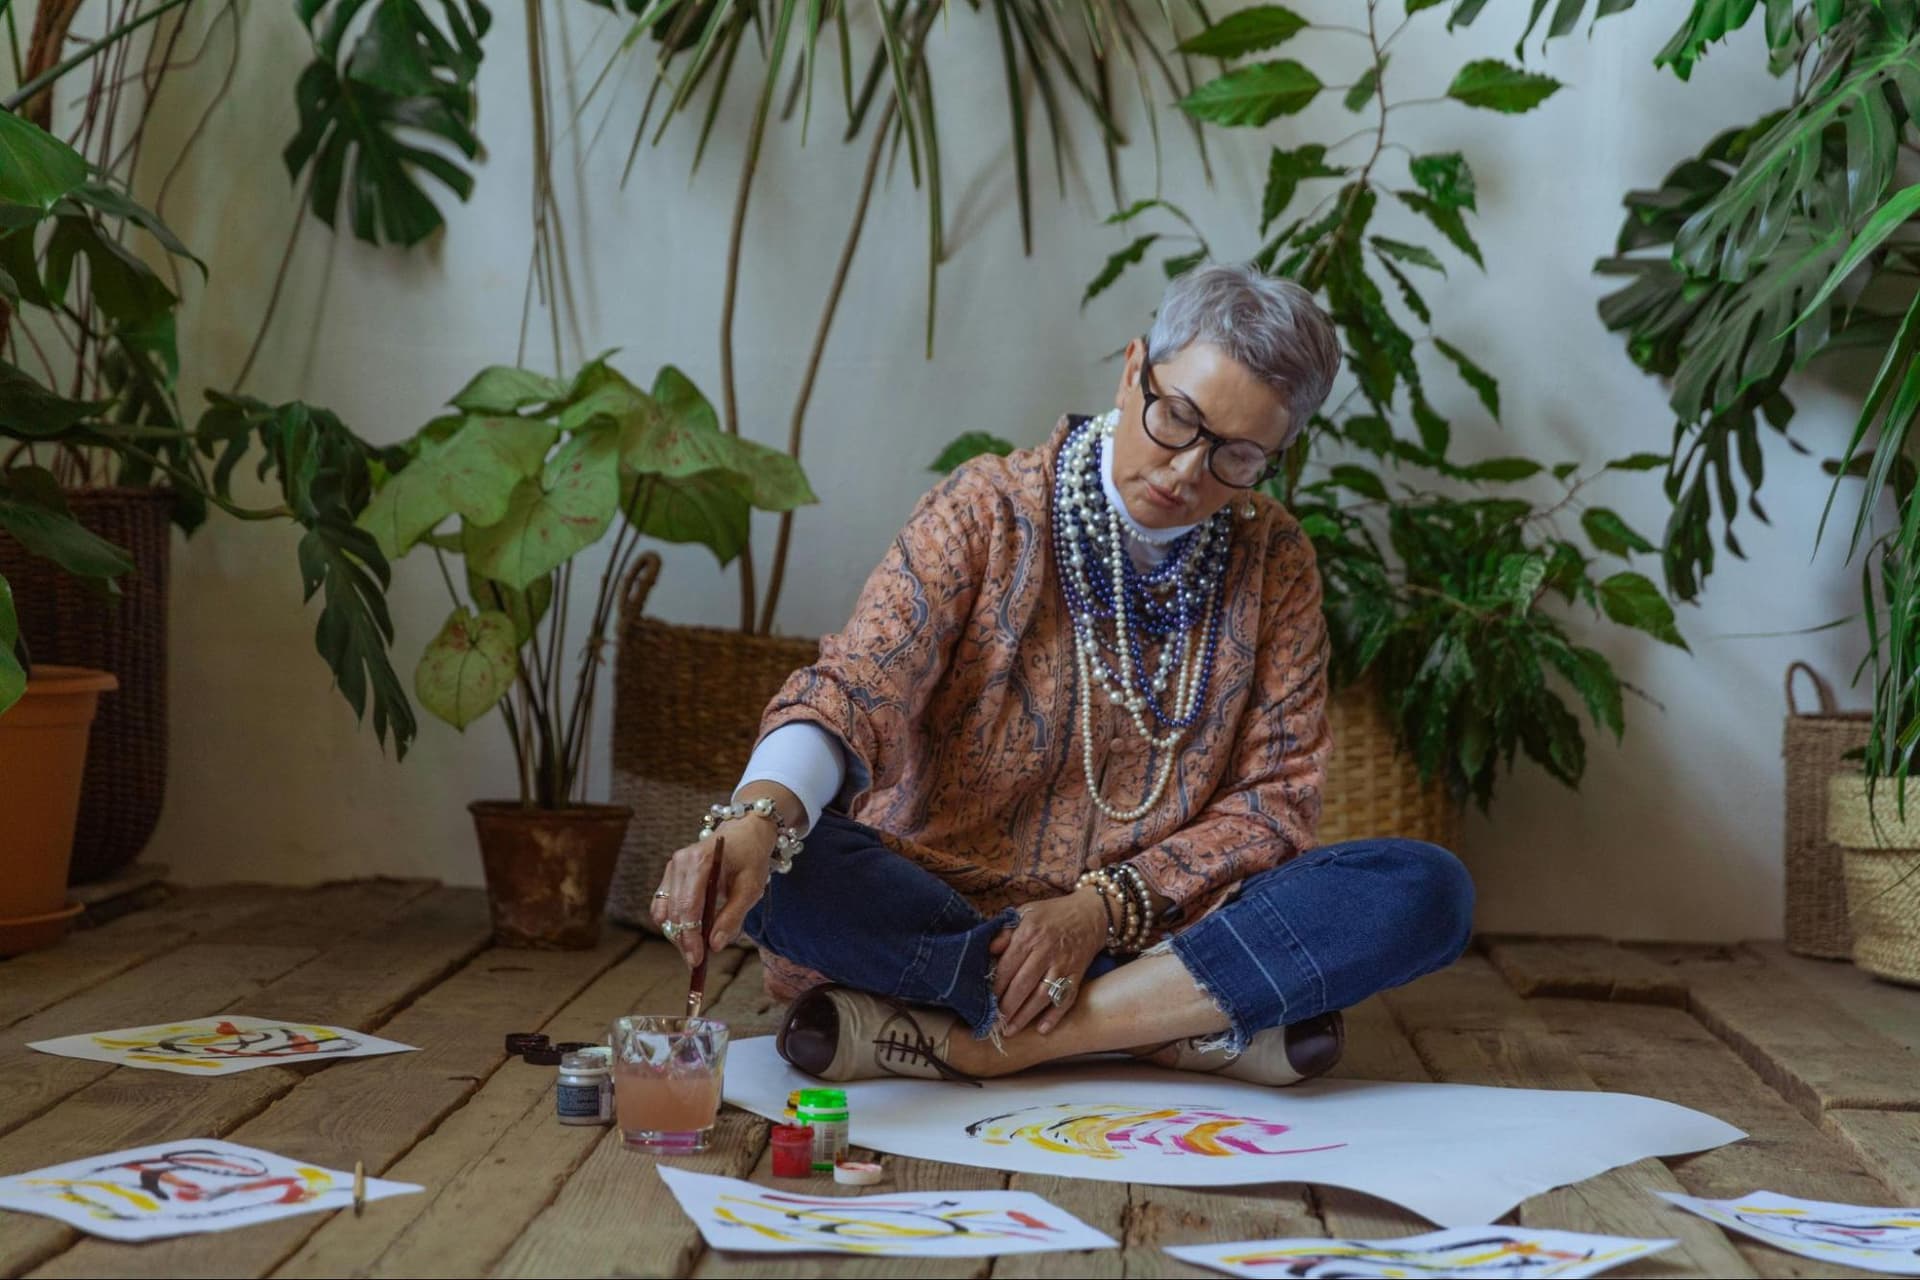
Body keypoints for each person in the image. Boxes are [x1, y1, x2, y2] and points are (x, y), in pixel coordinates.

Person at [652, 263, 1473, 1086]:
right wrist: (757, 825)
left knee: (1425, 891)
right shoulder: (988, 510)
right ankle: (1161, 1022)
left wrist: (1098, 909)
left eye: (1238, 455)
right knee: (784, 874)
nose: (1189, 470)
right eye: (1177, 417)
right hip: (939, 908)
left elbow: (1275, 804)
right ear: (1132, 368)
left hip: (1152, 926)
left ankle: (988, 1038)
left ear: (1276, 455)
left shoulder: (1275, 560)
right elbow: (857, 683)